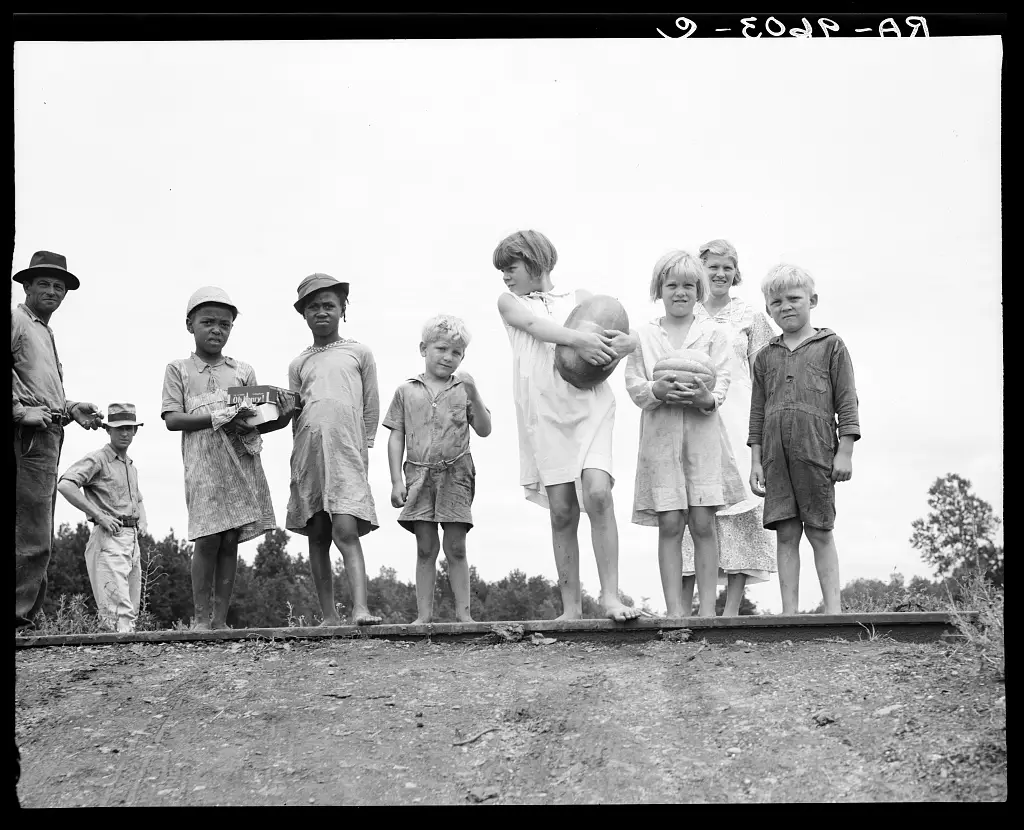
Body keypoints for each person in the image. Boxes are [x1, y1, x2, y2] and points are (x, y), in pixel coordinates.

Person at [495, 229, 641, 622]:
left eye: (512, 267)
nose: (506, 277)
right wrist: (580, 339)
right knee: (561, 510)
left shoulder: (581, 300)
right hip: (544, 413)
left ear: (535, 260)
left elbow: (619, 337)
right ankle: (571, 608)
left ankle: (611, 596)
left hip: (589, 405)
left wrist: (628, 343)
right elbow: (537, 328)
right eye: (503, 271)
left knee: (598, 494)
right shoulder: (509, 302)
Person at [625, 250, 746, 617]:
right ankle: (676, 612)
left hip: (704, 440)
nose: (681, 292)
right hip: (660, 441)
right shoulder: (642, 337)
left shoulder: (715, 334)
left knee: (703, 522)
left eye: (689, 286)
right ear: (658, 289)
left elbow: (722, 382)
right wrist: (655, 392)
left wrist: (706, 397)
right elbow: (634, 383)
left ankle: (708, 612)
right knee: (671, 523)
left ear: (700, 290)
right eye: (672, 285)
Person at [162, 287, 285, 630]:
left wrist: (283, 416)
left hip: (239, 458)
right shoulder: (179, 369)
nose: (216, 329)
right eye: (208, 322)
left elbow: (256, 423)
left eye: (225, 324)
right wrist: (217, 417)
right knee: (208, 536)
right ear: (190, 325)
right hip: (203, 462)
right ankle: (200, 618)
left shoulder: (243, 371)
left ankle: (219, 620)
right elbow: (172, 419)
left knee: (231, 536)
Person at [748, 264, 860, 615]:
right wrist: (756, 461)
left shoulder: (831, 346)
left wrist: (845, 452)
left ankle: (834, 612)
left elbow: (847, 401)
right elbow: (757, 413)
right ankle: (790, 613)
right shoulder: (765, 356)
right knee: (785, 533)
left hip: (817, 453)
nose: (786, 306)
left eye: (794, 298)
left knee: (820, 531)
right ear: (769, 309)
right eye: (776, 301)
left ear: (812, 300)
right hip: (775, 459)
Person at [676, 238, 778, 615]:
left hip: (740, 423)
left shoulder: (749, 316)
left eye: (727, 267)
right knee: (692, 512)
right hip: (694, 421)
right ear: (698, 270)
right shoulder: (687, 313)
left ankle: (731, 609)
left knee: (741, 510)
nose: (719, 273)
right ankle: (685, 609)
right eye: (712, 266)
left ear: (736, 273)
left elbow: (766, 373)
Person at [13, 250, 103, 629]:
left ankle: (28, 615)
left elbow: (41, 391)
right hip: (27, 436)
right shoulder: (17, 320)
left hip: (47, 433)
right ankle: (19, 618)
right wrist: (18, 412)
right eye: (44, 283)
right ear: (27, 286)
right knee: (31, 529)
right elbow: (28, 400)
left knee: (39, 527)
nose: (53, 290)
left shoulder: (43, 330)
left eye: (59, 285)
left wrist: (71, 407)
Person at [383, 314, 492, 623]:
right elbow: (396, 436)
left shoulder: (464, 388)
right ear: (423, 348)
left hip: (456, 475)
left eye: (456, 352)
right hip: (418, 475)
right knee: (425, 547)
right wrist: (395, 481)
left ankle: (465, 617)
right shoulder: (406, 390)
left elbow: (484, 429)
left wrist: (475, 392)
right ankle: (424, 618)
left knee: (456, 546)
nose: (448, 357)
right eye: (442, 348)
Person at [286, 273, 382, 626]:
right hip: (309, 453)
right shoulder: (299, 363)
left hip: (347, 452)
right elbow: (294, 413)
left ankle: (360, 608)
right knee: (318, 533)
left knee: (345, 528)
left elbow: (370, 406)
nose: (322, 312)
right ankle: (328, 616)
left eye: (329, 305)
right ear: (303, 314)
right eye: (314, 307)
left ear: (342, 309)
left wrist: (364, 444)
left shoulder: (359, 353)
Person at [57, 403, 149, 633]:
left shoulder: (130, 466)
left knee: (132, 609)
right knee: (117, 611)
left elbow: (137, 498)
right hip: (110, 536)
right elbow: (66, 485)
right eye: (119, 428)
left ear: (136, 431)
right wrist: (99, 515)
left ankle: (126, 663)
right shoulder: (98, 459)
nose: (125, 433)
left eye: (129, 428)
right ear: (108, 429)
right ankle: (116, 662)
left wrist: (143, 521)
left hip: (132, 539)